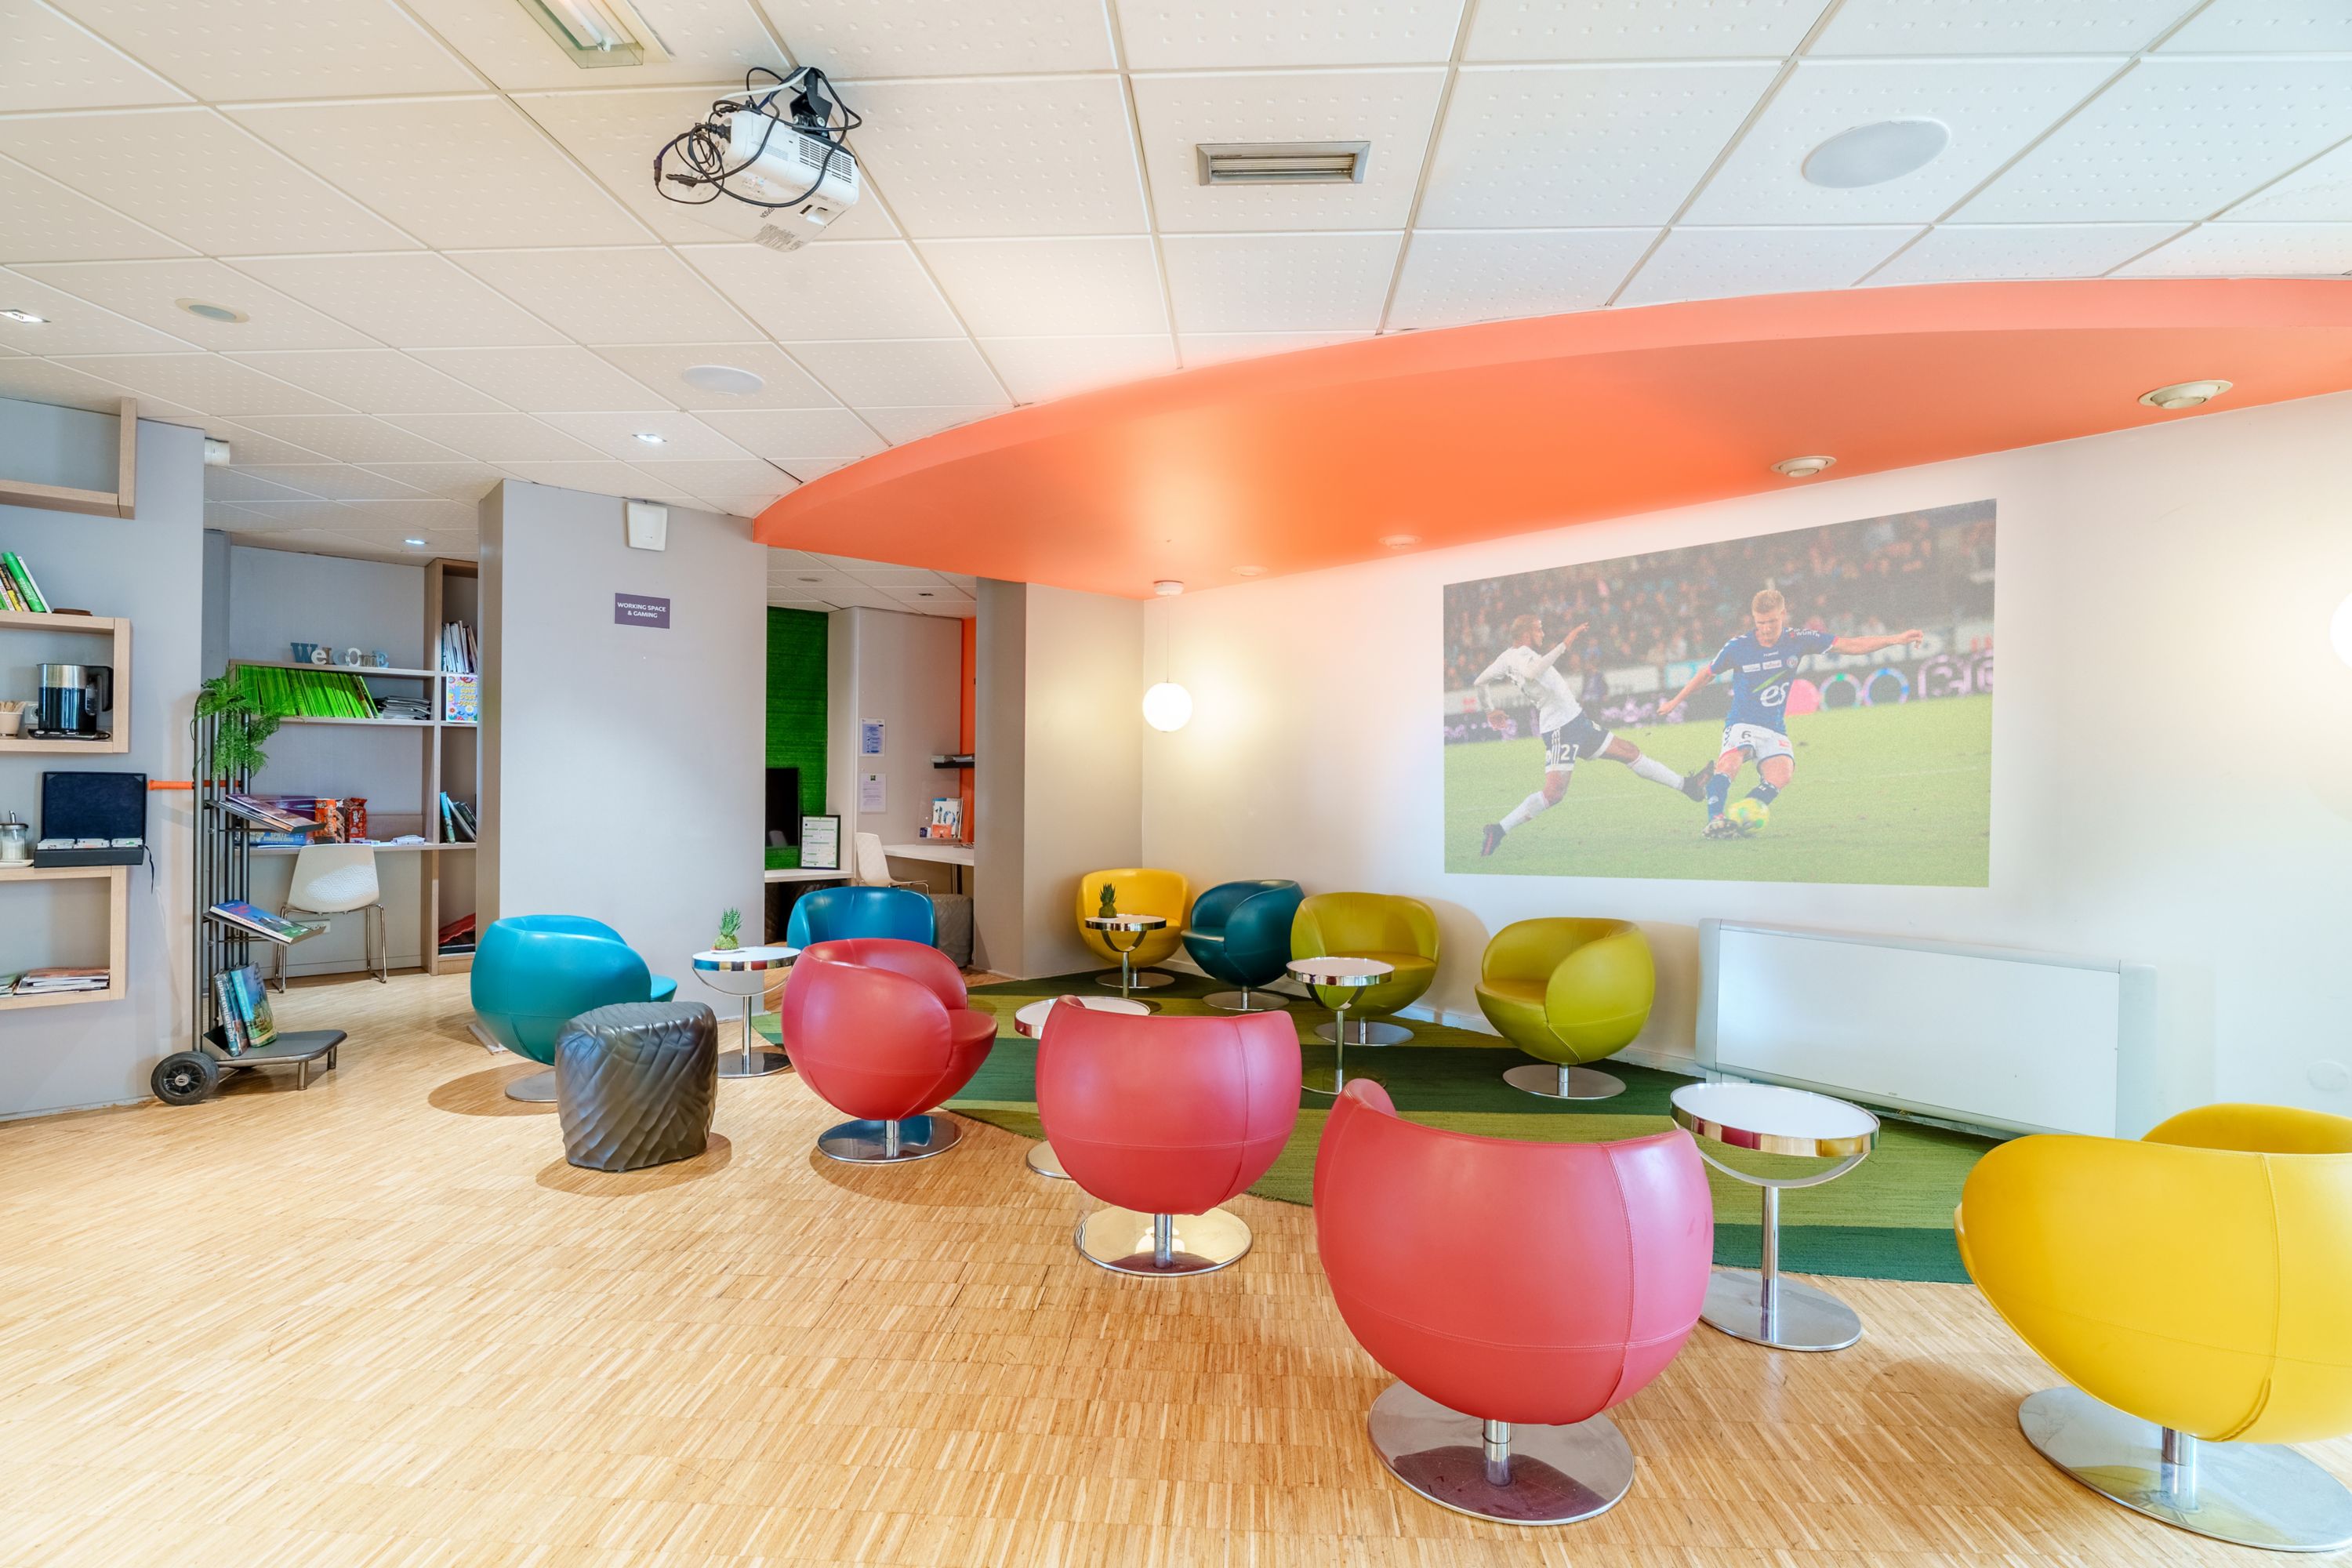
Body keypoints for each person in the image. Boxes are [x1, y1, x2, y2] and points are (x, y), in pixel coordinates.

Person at [1658, 588, 1923, 838]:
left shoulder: (1798, 639)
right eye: (1760, 623)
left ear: (1783, 615)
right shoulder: (1738, 647)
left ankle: (1742, 816)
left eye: (1772, 621)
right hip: (1742, 722)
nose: (1766, 628)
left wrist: (1894, 639)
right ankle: (1715, 819)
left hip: (1774, 727)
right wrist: (1675, 701)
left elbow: (1849, 645)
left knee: (1782, 774)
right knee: (1731, 762)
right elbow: (1706, 674)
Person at [1473, 615, 1707, 857]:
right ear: (1526, 633)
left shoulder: (1506, 658)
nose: (1542, 634)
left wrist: (1490, 710)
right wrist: (1564, 645)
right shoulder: (1523, 655)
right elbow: (1532, 673)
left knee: (1630, 751)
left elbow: (1480, 682)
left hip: (1577, 722)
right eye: (1538, 630)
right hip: (1561, 728)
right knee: (1553, 794)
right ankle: (1498, 830)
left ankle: (1687, 786)